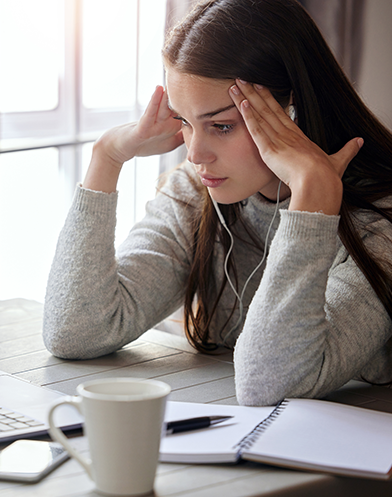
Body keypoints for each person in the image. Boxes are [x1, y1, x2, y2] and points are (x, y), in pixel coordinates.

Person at [43, 0, 392, 406]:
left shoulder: (379, 221)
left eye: (221, 126)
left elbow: (271, 384)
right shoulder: (196, 190)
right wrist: (106, 157)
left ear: (291, 115)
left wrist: (313, 194)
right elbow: (77, 330)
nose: (195, 154)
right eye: (186, 123)